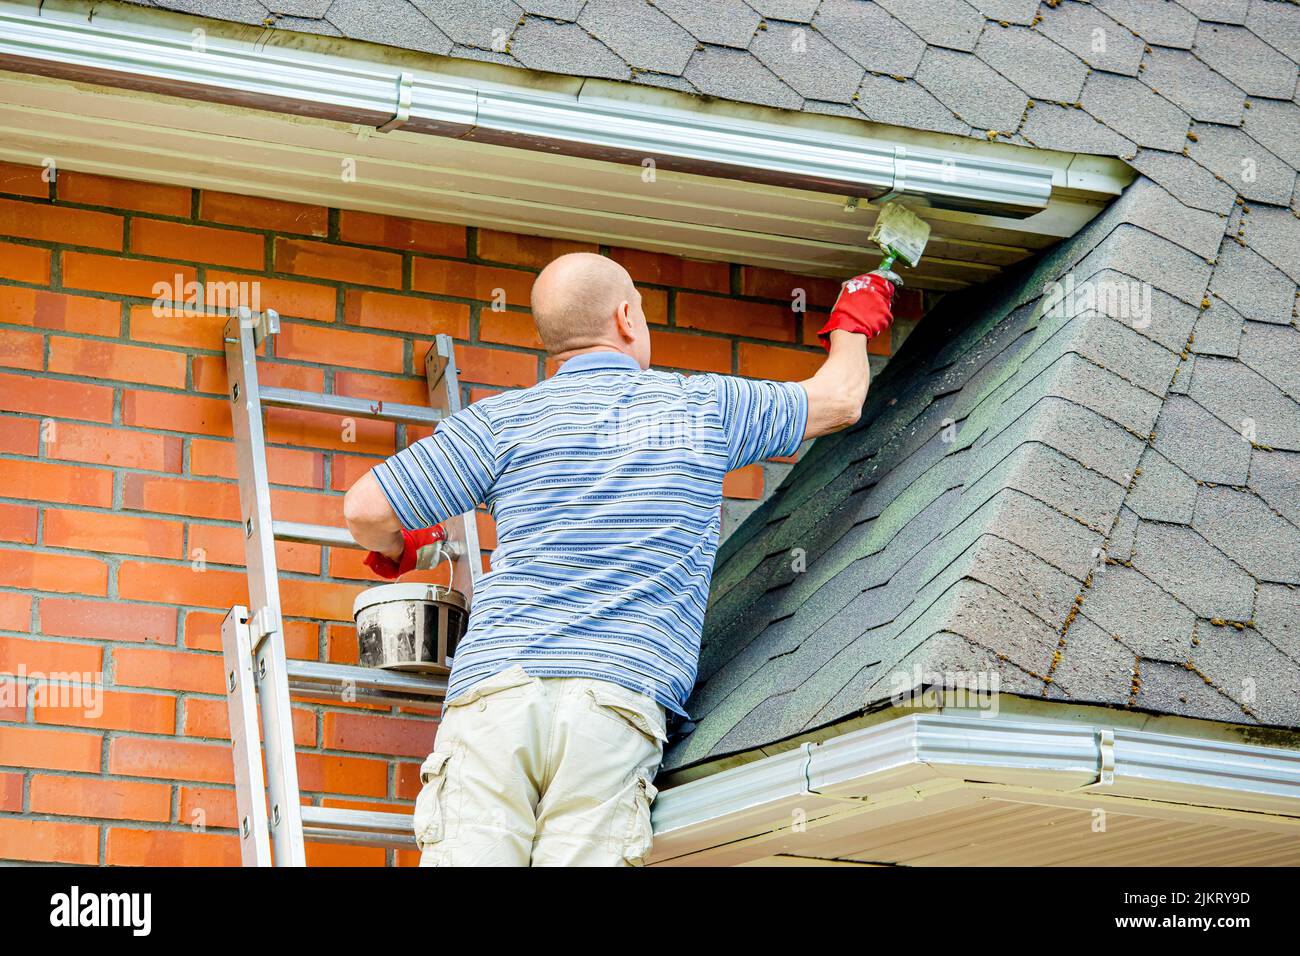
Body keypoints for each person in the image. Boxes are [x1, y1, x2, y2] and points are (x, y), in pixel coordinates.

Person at [343, 252, 895, 866]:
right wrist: (854, 316)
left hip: (497, 696)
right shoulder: (701, 409)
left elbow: (365, 511)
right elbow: (842, 398)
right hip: (612, 704)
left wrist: (402, 548)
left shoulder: (503, 423)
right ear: (626, 316)